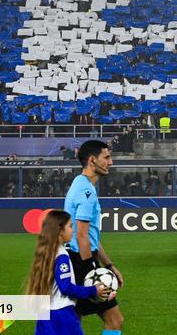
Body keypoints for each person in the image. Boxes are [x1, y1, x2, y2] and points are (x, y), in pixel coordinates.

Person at [64, 139, 124, 334]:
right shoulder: (86, 191)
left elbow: (90, 237)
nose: (111, 162)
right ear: (92, 160)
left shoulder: (80, 183)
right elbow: (81, 235)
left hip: (77, 259)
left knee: (73, 320)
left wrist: (108, 265)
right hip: (81, 261)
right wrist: (93, 273)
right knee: (114, 319)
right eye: (107, 157)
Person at [25, 210, 113, 335]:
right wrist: (93, 290)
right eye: (70, 226)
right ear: (60, 231)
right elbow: (65, 287)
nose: (73, 230)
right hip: (62, 315)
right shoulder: (61, 255)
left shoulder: (47, 252)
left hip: (44, 314)